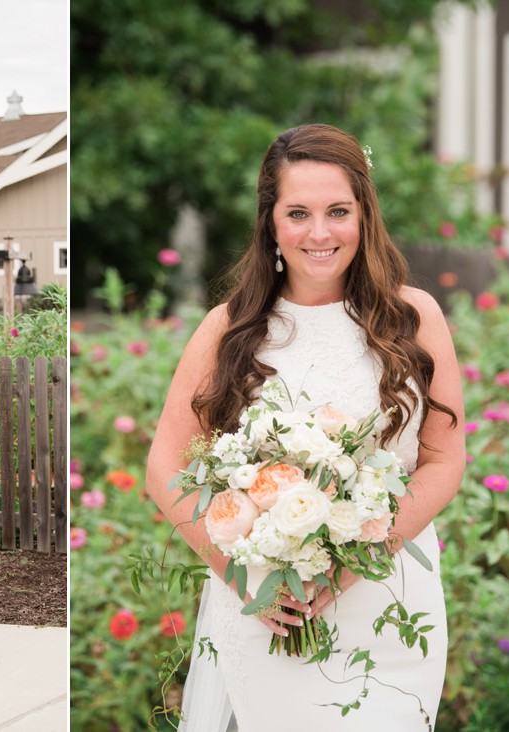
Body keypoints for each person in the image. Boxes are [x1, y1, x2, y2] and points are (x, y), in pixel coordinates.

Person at [146, 124, 465, 731]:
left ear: (364, 216)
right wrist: (242, 576)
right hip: (269, 605)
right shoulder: (229, 327)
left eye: (338, 211)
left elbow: (444, 459)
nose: (319, 233)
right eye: (298, 213)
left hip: (389, 599)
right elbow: (165, 464)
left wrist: (354, 563)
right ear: (271, 221)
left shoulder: (413, 317)